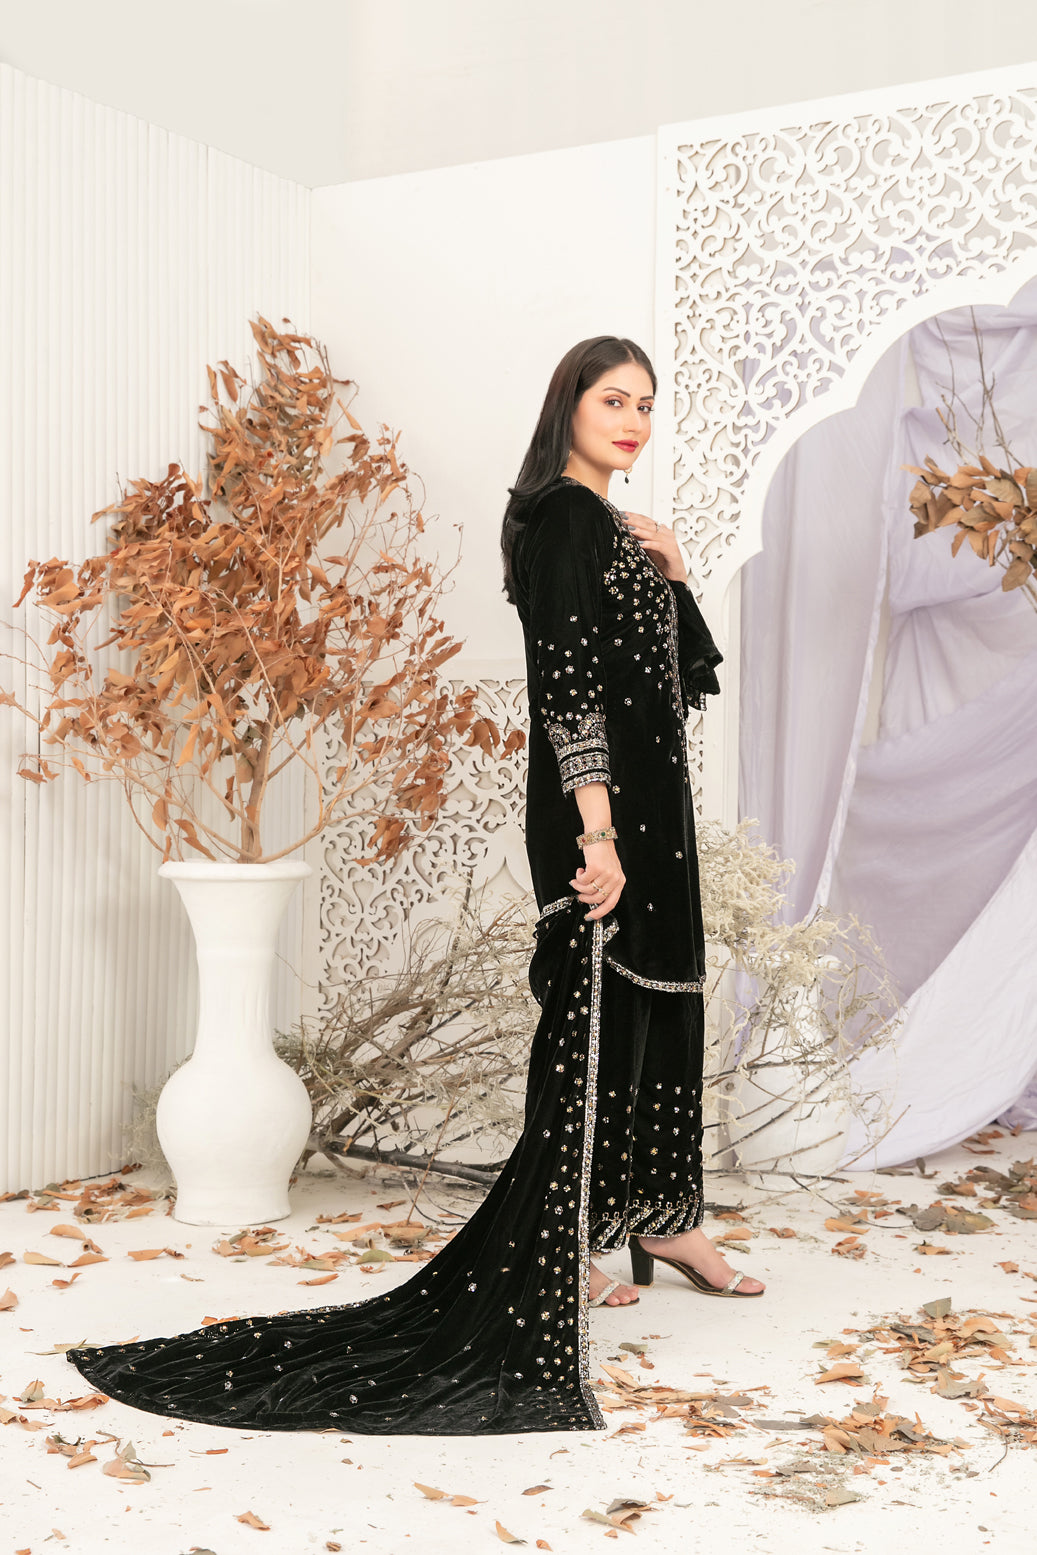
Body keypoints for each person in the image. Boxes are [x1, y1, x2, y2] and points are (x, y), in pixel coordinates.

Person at [64, 336, 761, 1438]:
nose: (632, 421)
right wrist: (595, 828)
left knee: (662, 995)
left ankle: (662, 1217)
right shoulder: (560, 520)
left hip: (652, 802)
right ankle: (562, 1241)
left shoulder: (618, 528)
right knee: (591, 1013)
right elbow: (566, 686)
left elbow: (677, 680)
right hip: (600, 809)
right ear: (568, 407)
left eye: (644, 404)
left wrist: (673, 574)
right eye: (611, 400)